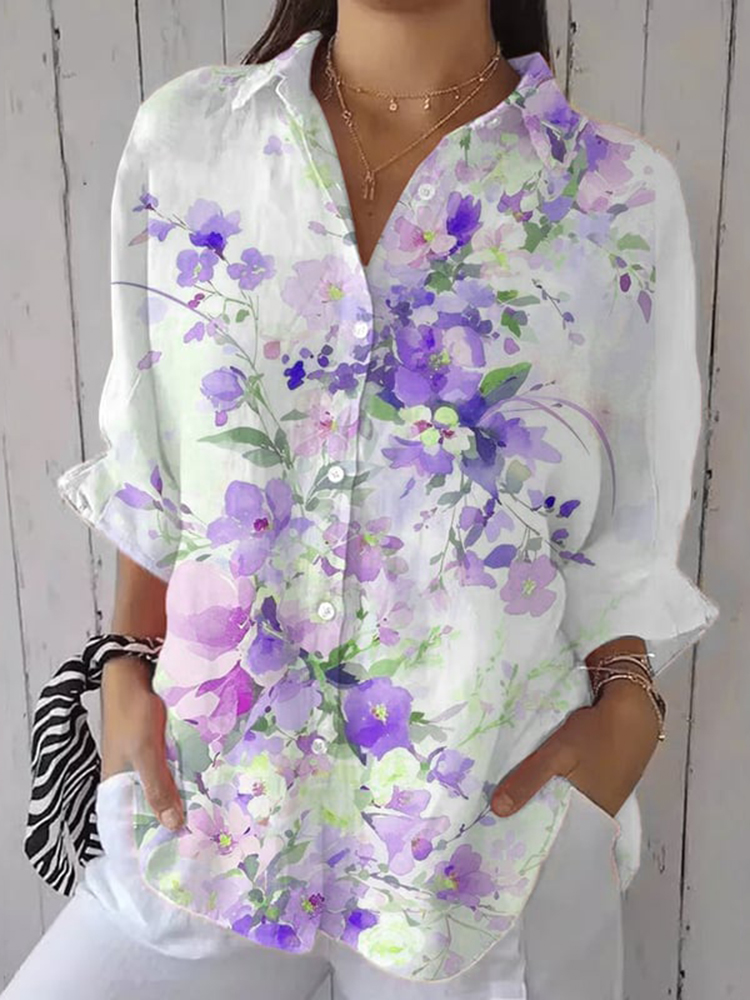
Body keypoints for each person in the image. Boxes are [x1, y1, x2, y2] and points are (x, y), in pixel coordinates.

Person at [4, 1, 720, 998]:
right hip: (211, 810)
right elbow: (158, 454)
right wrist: (126, 660)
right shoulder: (193, 139)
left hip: (486, 848)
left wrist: (627, 712)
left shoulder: (612, 195)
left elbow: (622, 528)